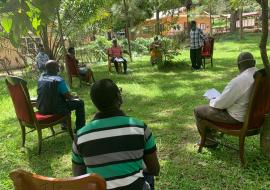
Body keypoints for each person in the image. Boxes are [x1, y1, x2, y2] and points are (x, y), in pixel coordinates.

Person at [72, 79, 160, 190]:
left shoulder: (80, 136)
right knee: (145, 172)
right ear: (118, 97)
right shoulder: (140, 128)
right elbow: (154, 170)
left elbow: (79, 177)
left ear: (95, 103)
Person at [194, 52, 258, 147]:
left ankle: (209, 141)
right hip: (255, 118)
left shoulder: (240, 81)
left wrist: (213, 100)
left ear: (238, 66)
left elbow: (221, 104)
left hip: (236, 118)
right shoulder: (262, 76)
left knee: (198, 110)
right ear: (254, 62)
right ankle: (212, 133)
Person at [36, 60, 85, 133]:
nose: (59, 69)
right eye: (58, 67)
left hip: (42, 108)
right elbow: (69, 97)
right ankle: (80, 129)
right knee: (80, 102)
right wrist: (76, 96)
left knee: (60, 98)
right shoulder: (58, 80)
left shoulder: (41, 78)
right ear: (55, 68)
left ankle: (64, 124)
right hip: (54, 109)